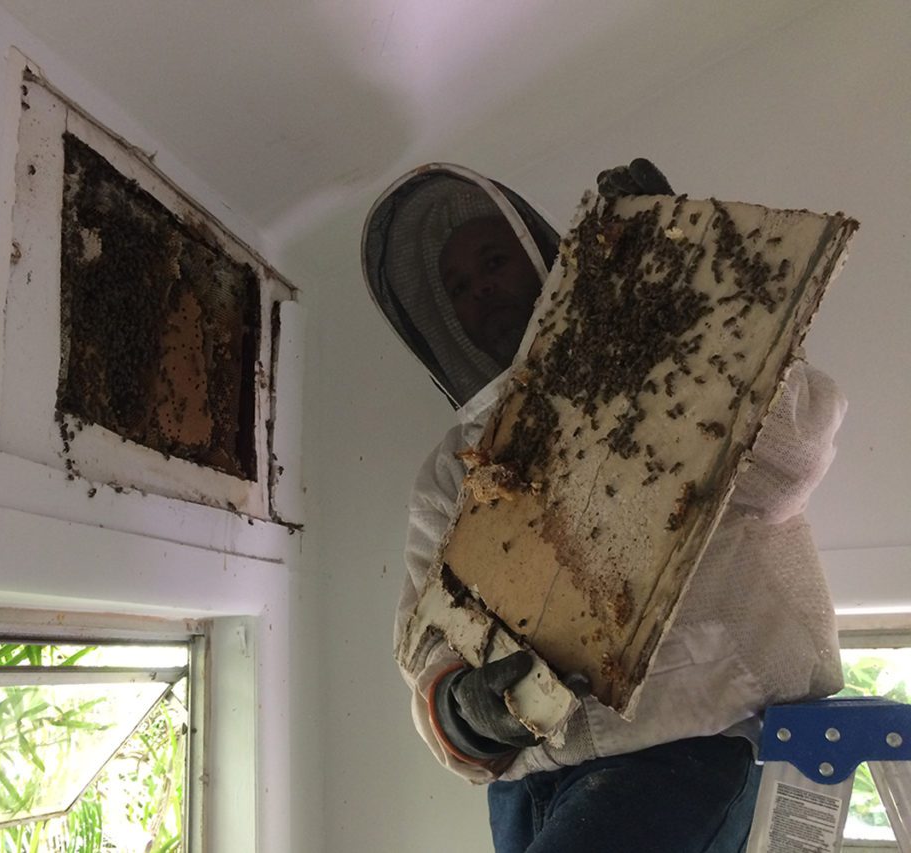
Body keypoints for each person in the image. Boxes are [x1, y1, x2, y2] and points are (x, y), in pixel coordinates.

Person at [361, 161, 848, 852]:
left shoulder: (674, 366)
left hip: (696, 741)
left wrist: (682, 286)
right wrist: (462, 709)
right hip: (526, 776)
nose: (482, 291)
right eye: (461, 288)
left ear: (546, 258)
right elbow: (427, 639)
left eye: (494, 261)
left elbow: (793, 455)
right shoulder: (454, 466)